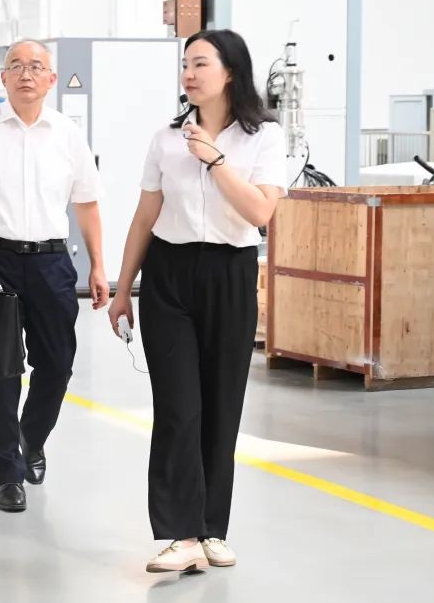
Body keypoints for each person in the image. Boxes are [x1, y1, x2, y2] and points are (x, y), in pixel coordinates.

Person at [107, 29, 287, 573]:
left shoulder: (264, 137)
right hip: (169, 276)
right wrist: (122, 289)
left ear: (230, 72)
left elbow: (260, 213)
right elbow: (145, 216)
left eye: (200, 63)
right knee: (178, 409)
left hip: (230, 275)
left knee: (221, 408)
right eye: (185, 63)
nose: (189, 73)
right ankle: (181, 534)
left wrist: (215, 160)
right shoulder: (166, 139)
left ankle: (212, 529)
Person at [0, 39, 109, 513]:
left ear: (51, 79)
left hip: (50, 262)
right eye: (16, 66)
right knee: (0, 370)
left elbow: (87, 203)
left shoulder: (67, 134)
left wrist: (98, 265)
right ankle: (8, 474)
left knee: (58, 363)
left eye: (36, 66)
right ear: (2, 78)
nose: (26, 74)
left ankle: (32, 438)